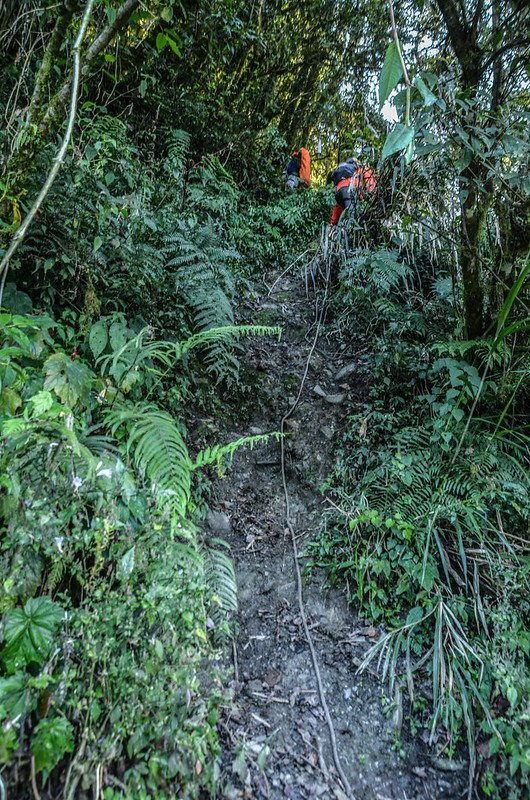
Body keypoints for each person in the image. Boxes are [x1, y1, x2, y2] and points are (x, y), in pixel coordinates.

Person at [330, 157, 376, 226]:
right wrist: (372, 194)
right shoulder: (360, 168)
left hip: (338, 192)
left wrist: (333, 222)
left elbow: (338, 206)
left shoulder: (345, 172)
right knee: (353, 219)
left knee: (348, 212)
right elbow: (370, 181)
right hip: (350, 189)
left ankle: (341, 232)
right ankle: (351, 234)